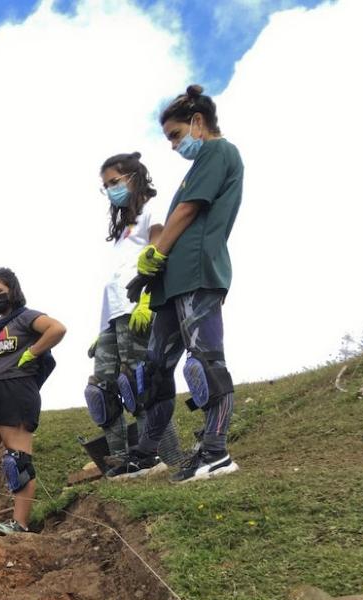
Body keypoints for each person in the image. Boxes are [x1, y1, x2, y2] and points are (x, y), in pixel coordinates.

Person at [125, 84, 243, 483]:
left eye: (176, 135)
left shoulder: (217, 151)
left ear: (197, 122)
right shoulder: (194, 169)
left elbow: (190, 211)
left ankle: (216, 452)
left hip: (197, 271)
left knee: (204, 363)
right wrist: (147, 277)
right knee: (156, 371)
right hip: (171, 283)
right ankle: (146, 452)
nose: (174, 145)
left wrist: (157, 253)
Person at [0, 268, 66, 537]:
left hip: (16, 389)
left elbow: (57, 328)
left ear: (12, 291)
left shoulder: (26, 317)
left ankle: (19, 524)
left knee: (16, 461)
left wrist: (32, 352)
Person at [86, 152, 174, 479]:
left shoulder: (154, 209)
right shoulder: (123, 228)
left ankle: (160, 455)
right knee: (102, 388)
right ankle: (124, 457)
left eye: (115, 182)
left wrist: (147, 299)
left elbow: (159, 250)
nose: (110, 190)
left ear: (134, 177)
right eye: (106, 186)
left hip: (139, 305)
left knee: (141, 383)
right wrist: (102, 328)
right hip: (114, 315)